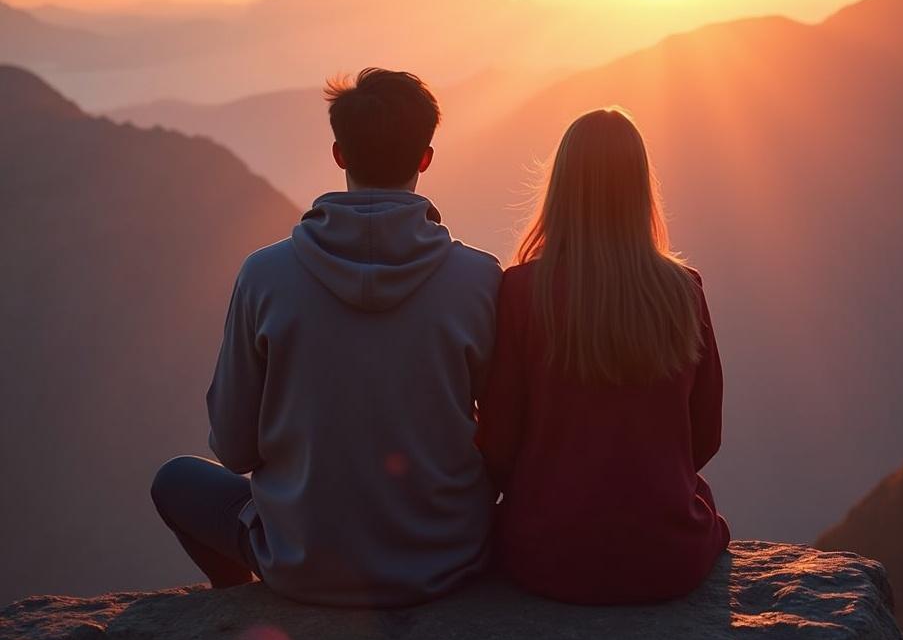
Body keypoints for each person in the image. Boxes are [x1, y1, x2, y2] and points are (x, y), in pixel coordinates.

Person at [151, 68, 501, 605]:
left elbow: (233, 446)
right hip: (450, 559)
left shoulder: (265, 275)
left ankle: (236, 604)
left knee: (176, 480)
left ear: (339, 154)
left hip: (303, 563)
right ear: (426, 157)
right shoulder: (478, 279)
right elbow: (505, 443)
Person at [476, 107, 730, 605]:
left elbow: (498, 446)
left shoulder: (523, 291)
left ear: (562, 189)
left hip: (547, 556)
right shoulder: (684, 291)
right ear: (640, 189)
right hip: (668, 556)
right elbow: (706, 435)